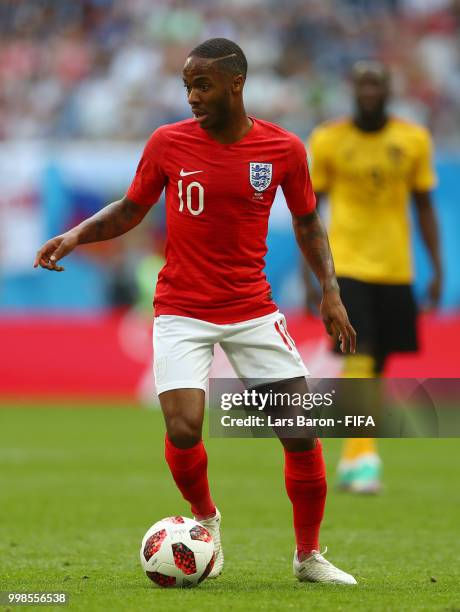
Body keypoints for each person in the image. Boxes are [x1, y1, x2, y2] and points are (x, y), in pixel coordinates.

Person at [34, 38, 357, 584]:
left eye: (201, 85)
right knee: (184, 428)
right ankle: (206, 522)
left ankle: (308, 557)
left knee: (300, 431)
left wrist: (330, 291)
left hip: (252, 307)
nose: (191, 97)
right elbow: (131, 209)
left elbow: (307, 223)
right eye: (186, 86)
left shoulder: (283, 150)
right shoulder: (167, 143)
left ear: (236, 83)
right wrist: (75, 235)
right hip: (182, 307)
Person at [306, 61, 442, 493]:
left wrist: (437, 268)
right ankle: (362, 458)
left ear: (387, 89)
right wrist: (316, 273)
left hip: (395, 265)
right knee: (360, 351)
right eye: (362, 83)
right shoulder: (329, 139)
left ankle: (353, 455)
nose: (368, 91)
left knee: (378, 362)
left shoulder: (413, 139)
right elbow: (308, 212)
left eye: (376, 84)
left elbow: (423, 206)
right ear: (353, 89)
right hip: (345, 265)